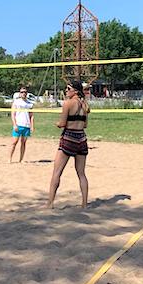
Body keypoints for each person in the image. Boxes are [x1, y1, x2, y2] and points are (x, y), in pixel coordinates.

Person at [46, 80, 90, 209]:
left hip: (69, 137)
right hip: (81, 138)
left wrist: (57, 124)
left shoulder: (68, 103)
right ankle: (84, 204)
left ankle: (50, 203)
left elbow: (63, 123)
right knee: (81, 173)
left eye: (68, 88)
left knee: (57, 172)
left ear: (75, 91)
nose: (66, 91)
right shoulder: (85, 105)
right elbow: (85, 125)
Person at [9, 87, 34, 163]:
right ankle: (9, 158)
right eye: (22, 92)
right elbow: (13, 114)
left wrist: (32, 126)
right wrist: (14, 124)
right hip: (18, 124)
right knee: (14, 142)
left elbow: (31, 115)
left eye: (25, 92)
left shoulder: (30, 103)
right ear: (20, 93)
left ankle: (21, 159)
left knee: (23, 143)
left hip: (26, 125)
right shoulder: (16, 102)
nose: (24, 93)